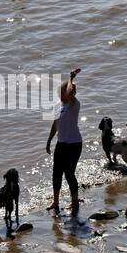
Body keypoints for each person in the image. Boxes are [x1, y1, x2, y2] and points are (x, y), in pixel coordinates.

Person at [46, 69, 83, 215]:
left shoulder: (74, 105)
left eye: (62, 91)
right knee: (56, 173)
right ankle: (55, 201)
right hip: (61, 144)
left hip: (74, 144)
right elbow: (55, 125)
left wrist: (71, 78)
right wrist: (49, 141)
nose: (60, 94)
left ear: (70, 93)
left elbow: (68, 93)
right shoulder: (58, 105)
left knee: (69, 174)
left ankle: (74, 202)